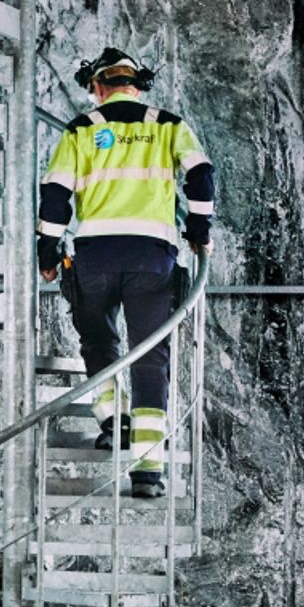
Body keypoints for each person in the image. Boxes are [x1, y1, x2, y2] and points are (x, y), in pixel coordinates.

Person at [37, 47, 215, 498]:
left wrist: (47, 252)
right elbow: (200, 174)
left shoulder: (82, 129)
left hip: (95, 255)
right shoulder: (169, 125)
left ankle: (114, 421)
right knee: (150, 356)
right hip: (151, 257)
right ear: (137, 86)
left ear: (97, 88)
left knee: (98, 341)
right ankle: (148, 471)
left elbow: (56, 194)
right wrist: (198, 229)